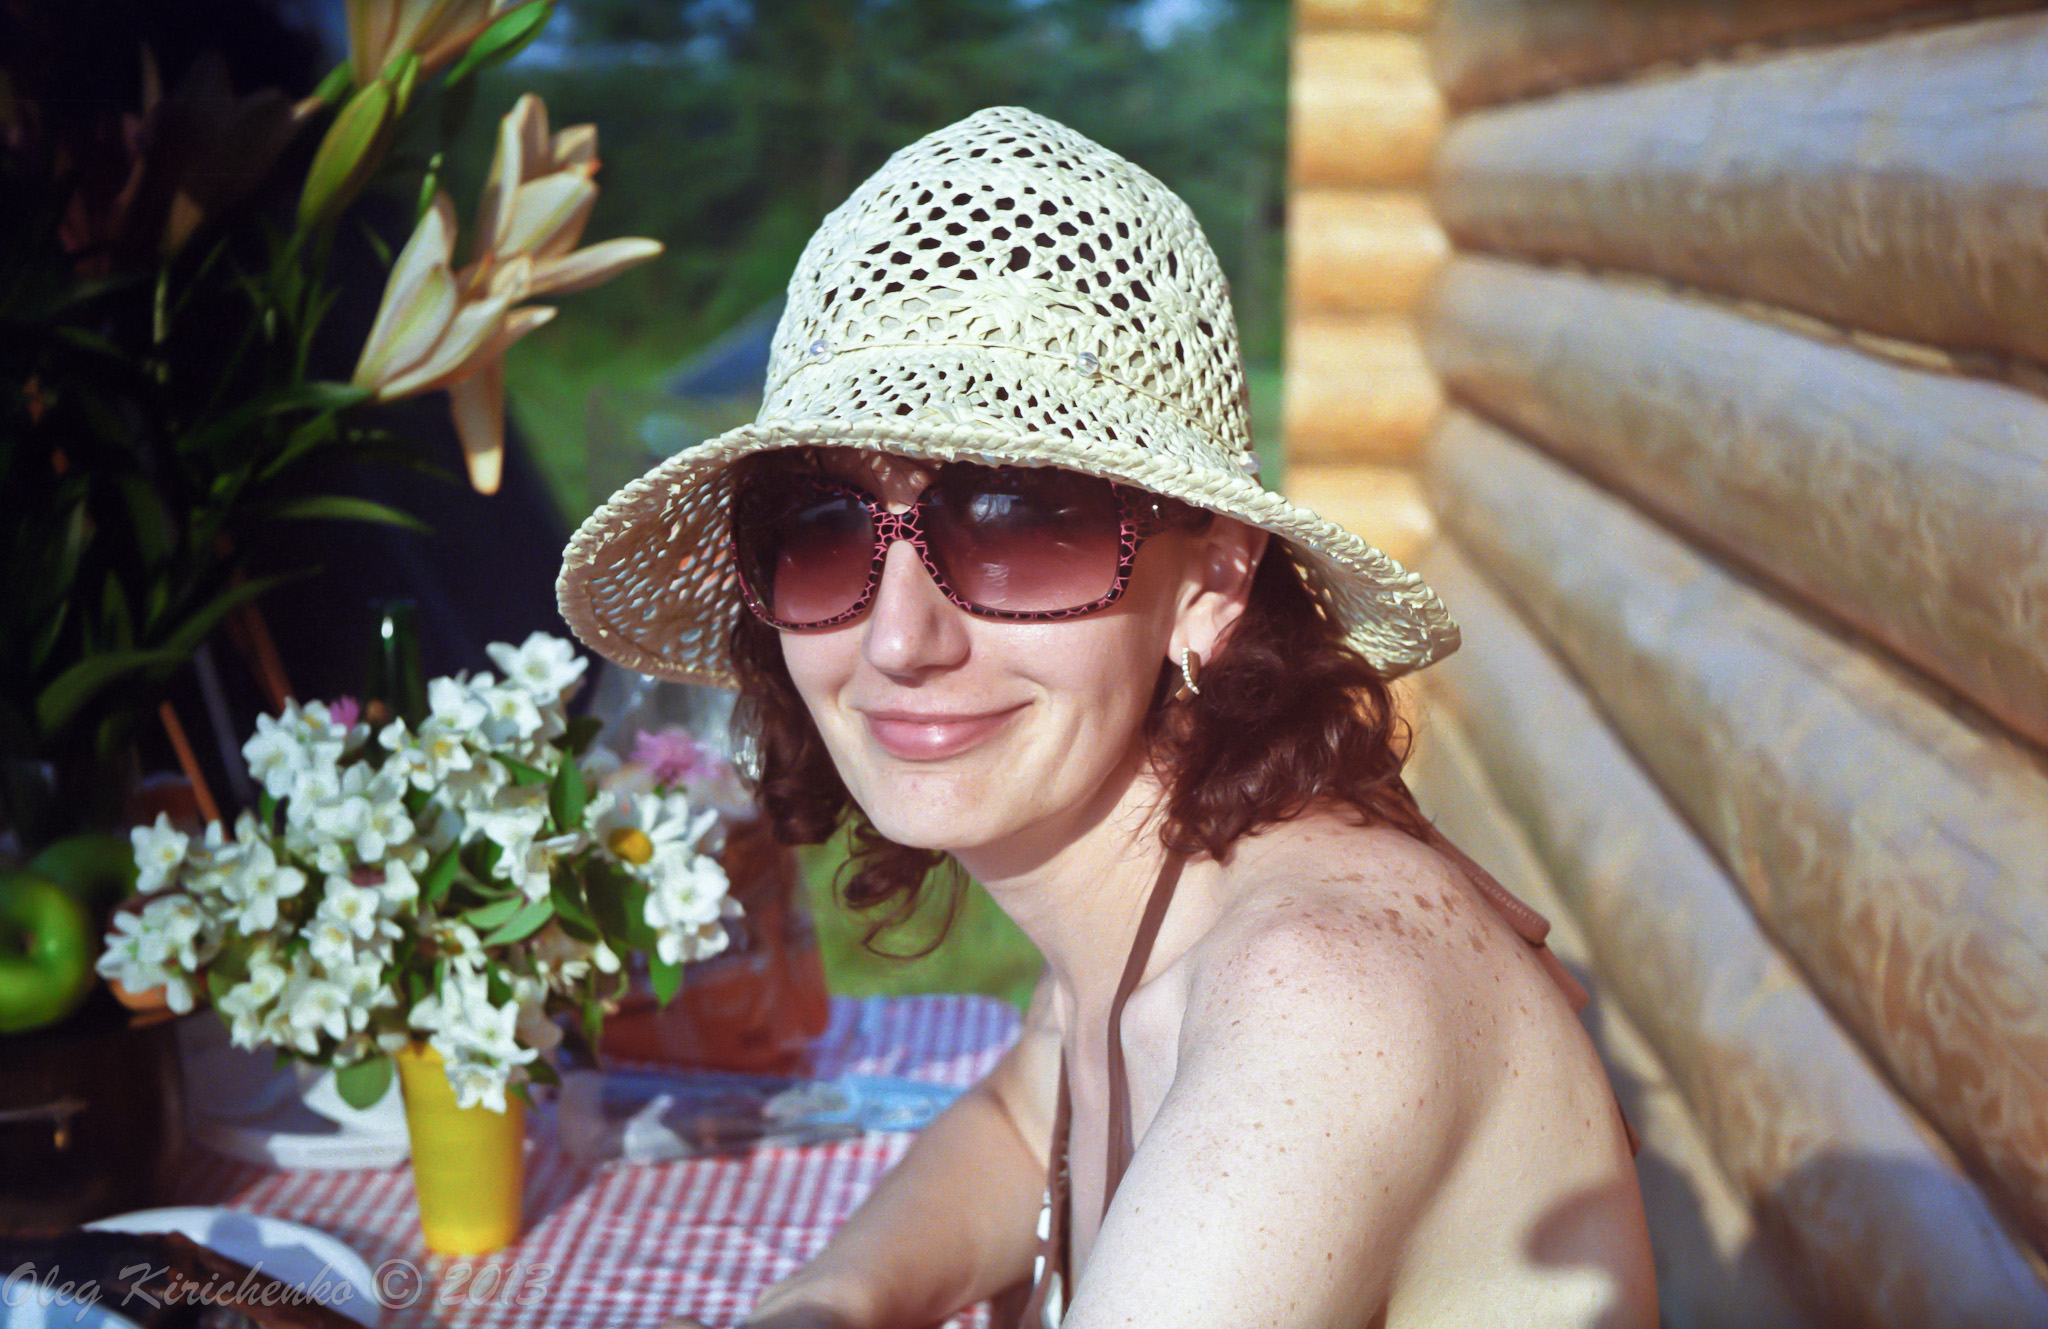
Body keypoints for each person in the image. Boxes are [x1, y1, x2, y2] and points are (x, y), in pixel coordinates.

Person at [559, 106, 1654, 1329]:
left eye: (1019, 521)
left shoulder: (1314, 1000)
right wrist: (831, 1300)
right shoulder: (1162, 875)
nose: (898, 639)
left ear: (1211, 580)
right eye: (818, 532)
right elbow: (1027, 1120)